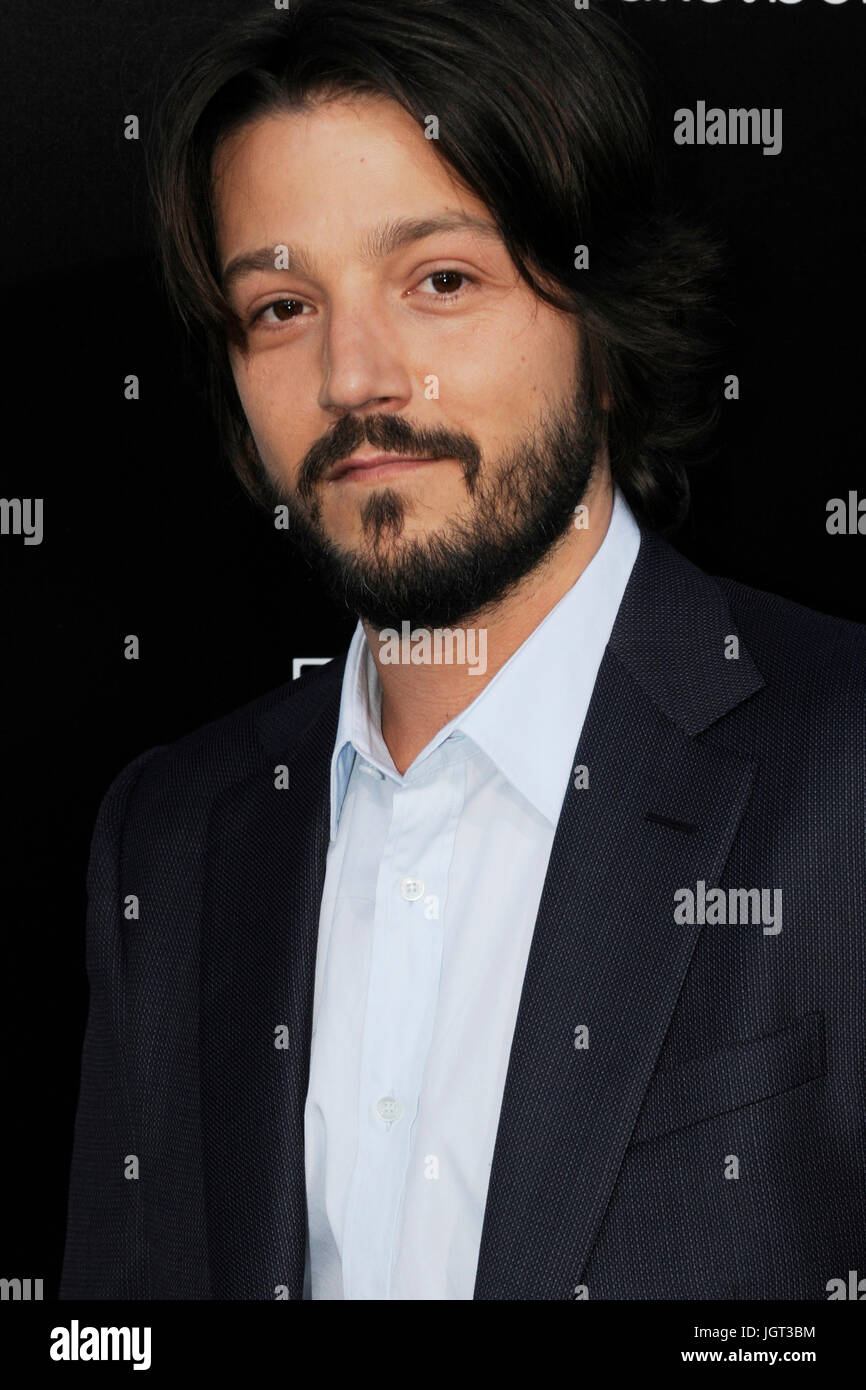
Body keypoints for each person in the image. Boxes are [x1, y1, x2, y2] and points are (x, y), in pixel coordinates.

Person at [60, 0, 866, 1301]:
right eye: (280, 304)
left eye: (439, 279)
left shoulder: (841, 766)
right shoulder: (168, 834)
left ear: (605, 327)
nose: (354, 376)